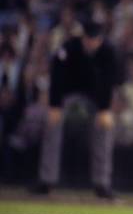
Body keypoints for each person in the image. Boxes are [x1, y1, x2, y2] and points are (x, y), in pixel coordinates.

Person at [31, 20, 120, 199]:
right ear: (83, 37)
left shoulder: (109, 51)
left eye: (96, 39)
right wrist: (54, 106)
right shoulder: (69, 48)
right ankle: (47, 180)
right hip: (68, 95)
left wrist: (105, 109)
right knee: (52, 122)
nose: (92, 42)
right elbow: (56, 76)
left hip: (96, 99)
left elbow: (109, 82)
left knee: (106, 126)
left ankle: (102, 183)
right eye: (89, 38)